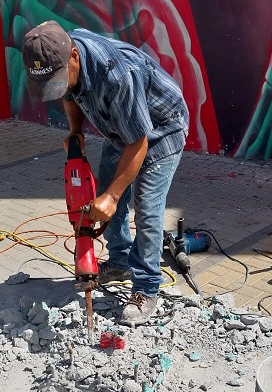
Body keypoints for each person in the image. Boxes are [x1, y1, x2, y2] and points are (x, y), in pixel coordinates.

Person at [22, 20, 189, 326]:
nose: (59, 87)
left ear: (74, 56)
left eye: (59, 80)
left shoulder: (117, 76)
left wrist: (113, 196)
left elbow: (138, 143)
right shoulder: (59, 53)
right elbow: (70, 93)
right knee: (103, 197)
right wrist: (75, 131)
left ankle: (147, 288)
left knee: (146, 210)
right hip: (121, 129)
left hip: (162, 127)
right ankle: (121, 260)